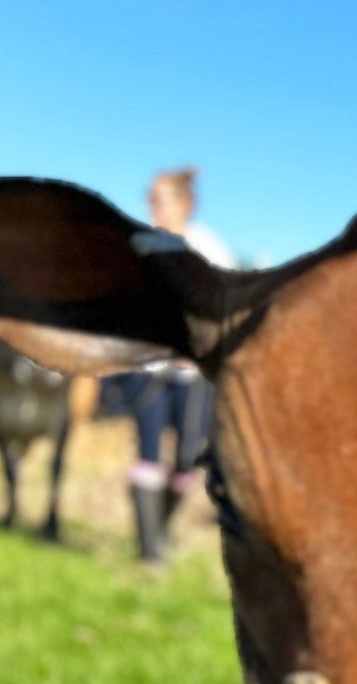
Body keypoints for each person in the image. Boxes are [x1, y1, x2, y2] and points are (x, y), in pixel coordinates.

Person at [125, 167, 234, 563]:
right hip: (149, 370)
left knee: (188, 457)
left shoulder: (208, 247)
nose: (152, 204)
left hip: (194, 374)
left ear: (185, 203)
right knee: (149, 454)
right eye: (150, 196)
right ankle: (150, 554)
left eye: (160, 197)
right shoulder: (141, 246)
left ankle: (162, 530)